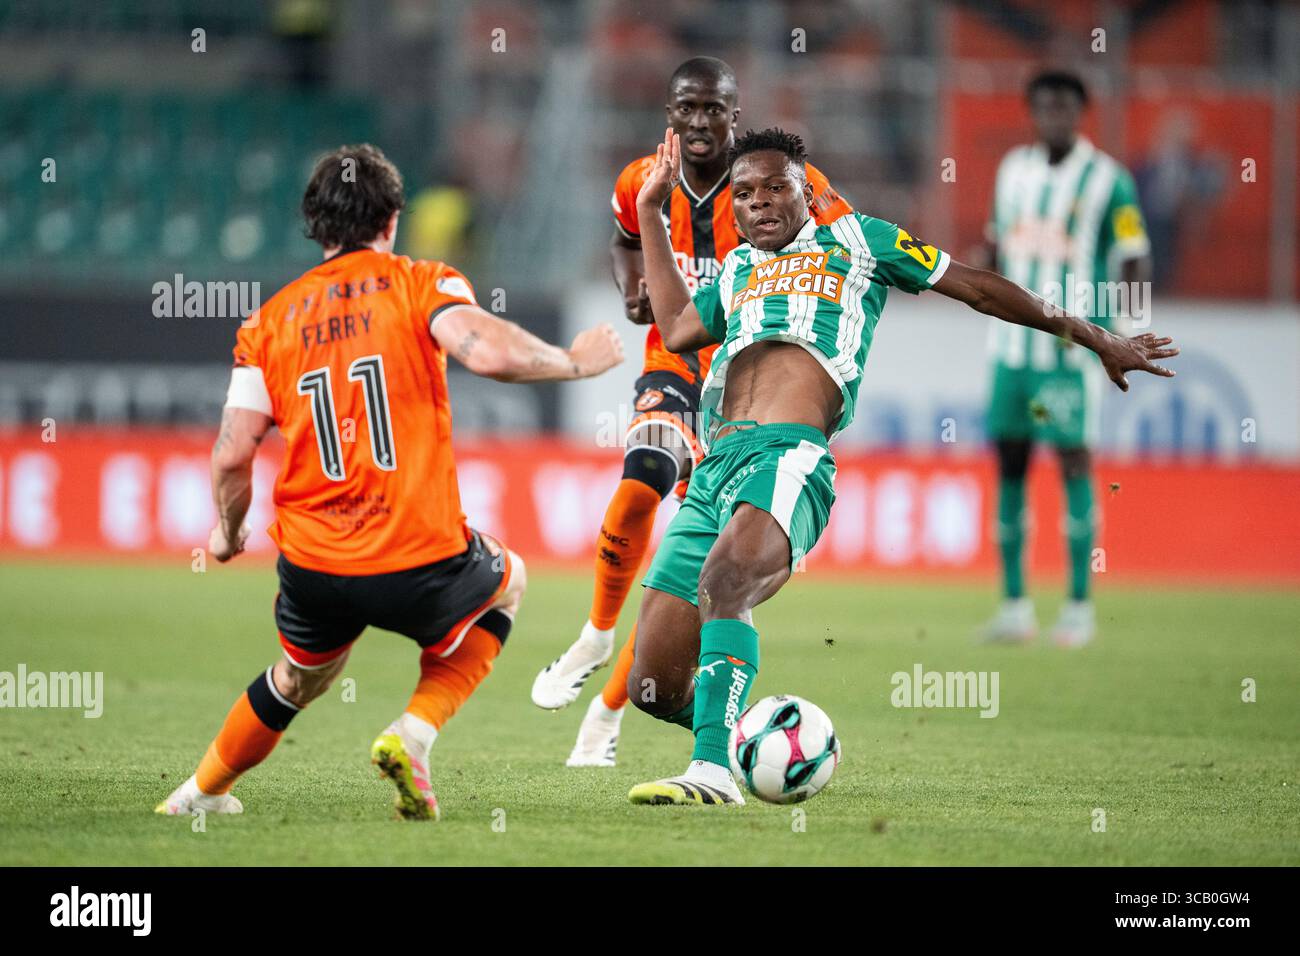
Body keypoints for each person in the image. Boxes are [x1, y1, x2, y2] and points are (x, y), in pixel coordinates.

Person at [626, 126, 1176, 805]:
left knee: (728, 580)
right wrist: (651, 212)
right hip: (714, 468)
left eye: (777, 188)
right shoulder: (737, 269)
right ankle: (760, 737)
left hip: (787, 453)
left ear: (807, 192)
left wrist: (1095, 336)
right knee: (651, 683)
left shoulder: (859, 241)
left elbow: (978, 287)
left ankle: (712, 773)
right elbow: (677, 327)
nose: (761, 203)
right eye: (744, 194)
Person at [155, 144, 623, 821]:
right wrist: (573, 363)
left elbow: (231, 455)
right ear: (393, 219)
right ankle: (415, 732)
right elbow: (485, 349)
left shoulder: (267, 322)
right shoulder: (418, 282)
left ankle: (200, 792)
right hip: (414, 553)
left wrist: (227, 534)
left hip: (314, 562)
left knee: (300, 675)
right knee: (508, 583)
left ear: (315, 225)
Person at [529, 56, 851, 769]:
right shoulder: (640, 182)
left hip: (745, 386)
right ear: (668, 116)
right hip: (674, 361)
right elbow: (621, 238)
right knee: (642, 470)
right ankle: (595, 631)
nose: (700, 123)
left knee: (687, 575)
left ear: (734, 115)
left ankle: (609, 713)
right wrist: (631, 285)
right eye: (687, 110)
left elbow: (843, 248)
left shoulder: (778, 184)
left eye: (714, 110)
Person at [981, 70, 1153, 647]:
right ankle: (1014, 607)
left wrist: (1125, 332)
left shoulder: (1109, 180)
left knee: (1075, 463)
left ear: (1081, 111)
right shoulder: (1011, 171)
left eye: (1065, 105)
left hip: (1069, 352)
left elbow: (1132, 257)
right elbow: (994, 246)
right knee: (1010, 464)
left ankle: (1079, 606)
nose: (1054, 114)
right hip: (1010, 350)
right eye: (1045, 105)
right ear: (1032, 110)